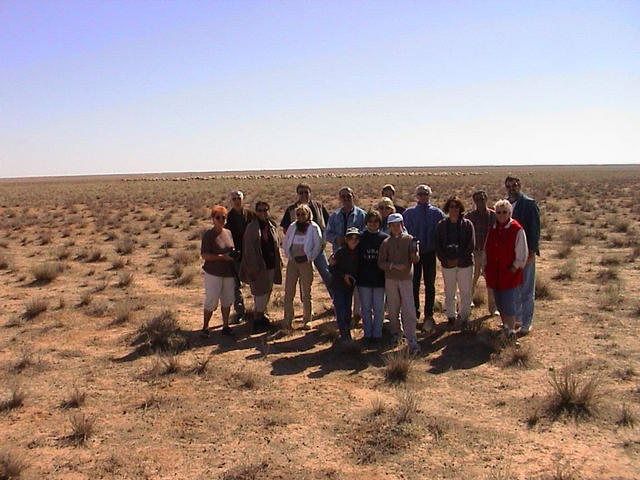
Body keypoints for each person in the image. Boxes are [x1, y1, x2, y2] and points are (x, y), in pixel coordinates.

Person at [402, 184, 445, 334]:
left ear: (429, 195)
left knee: (430, 284)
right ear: (416, 196)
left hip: (430, 253)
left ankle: (429, 314)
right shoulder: (408, 213)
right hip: (414, 254)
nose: (423, 196)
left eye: (426, 193)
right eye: (420, 193)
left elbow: (442, 232)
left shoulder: (437, 213)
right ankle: (414, 312)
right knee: (413, 284)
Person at [484, 200, 528, 340]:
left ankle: (511, 331)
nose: (501, 215)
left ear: (510, 213)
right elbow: (486, 249)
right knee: (500, 301)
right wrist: (485, 267)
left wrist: (514, 268)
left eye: (504, 212)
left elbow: (522, 253)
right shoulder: (493, 229)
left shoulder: (516, 229)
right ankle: (506, 327)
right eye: (498, 212)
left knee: (509, 302)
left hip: (509, 274)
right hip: (494, 273)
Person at [377, 213, 421, 354]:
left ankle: (412, 338)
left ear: (402, 225)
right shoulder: (386, 243)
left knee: (409, 309)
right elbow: (381, 263)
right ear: (389, 227)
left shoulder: (409, 240)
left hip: (406, 279)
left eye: (398, 224)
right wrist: (393, 266)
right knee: (393, 309)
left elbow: (415, 260)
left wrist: (415, 253)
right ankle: (396, 334)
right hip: (391, 279)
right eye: (393, 225)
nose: (396, 227)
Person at [280, 183, 332, 290]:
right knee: (303, 279)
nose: (303, 195)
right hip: (300, 251)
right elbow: (286, 230)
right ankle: (306, 303)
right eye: (301, 192)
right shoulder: (291, 210)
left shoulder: (319, 207)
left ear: (310, 193)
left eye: (306, 192)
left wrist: (322, 239)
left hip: (318, 249)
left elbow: (328, 223)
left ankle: (336, 302)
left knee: (326, 273)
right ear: (297, 194)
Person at [240, 201, 282, 333]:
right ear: (256, 212)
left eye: (265, 210)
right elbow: (248, 250)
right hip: (258, 266)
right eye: (259, 210)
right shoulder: (251, 228)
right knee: (259, 292)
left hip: (270, 264)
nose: (262, 212)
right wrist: (252, 268)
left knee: (268, 290)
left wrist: (279, 261)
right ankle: (257, 320)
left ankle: (261, 315)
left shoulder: (271, 226)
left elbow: (277, 244)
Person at [506, 176, 540, 335]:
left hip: (526, 252)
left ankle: (527, 322)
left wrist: (532, 251)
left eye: (515, 185)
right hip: (510, 253)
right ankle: (517, 318)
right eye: (509, 185)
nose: (512, 188)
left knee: (526, 288)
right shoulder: (506, 204)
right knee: (514, 287)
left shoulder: (529, 204)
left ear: (519, 185)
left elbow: (534, 229)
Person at [435, 196, 475, 330]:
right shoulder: (441, 225)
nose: (454, 209)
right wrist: (445, 260)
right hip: (447, 264)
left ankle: (464, 316)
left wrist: (459, 259)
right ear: (448, 208)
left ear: (460, 208)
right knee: (450, 290)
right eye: (451, 206)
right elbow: (438, 245)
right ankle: (451, 316)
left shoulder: (467, 224)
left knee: (465, 291)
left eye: (456, 206)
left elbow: (471, 244)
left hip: (465, 264)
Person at [282, 204, 323, 330]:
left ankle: (307, 320)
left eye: (303, 214)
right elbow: (286, 241)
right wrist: (289, 255)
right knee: (289, 291)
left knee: (306, 292)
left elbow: (318, 244)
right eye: (298, 214)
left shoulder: (313, 227)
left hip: (306, 263)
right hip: (293, 262)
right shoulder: (293, 226)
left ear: (308, 214)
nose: (300, 216)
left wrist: (309, 257)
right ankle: (288, 319)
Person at [200, 205, 237, 337]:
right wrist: (222, 257)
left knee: (227, 300)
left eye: (223, 217)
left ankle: (226, 326)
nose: (221, 220)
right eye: (218, 217)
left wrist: (232, 255)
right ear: (213, 218)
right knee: (212, 300)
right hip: (213, 273)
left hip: (228, 272)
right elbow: (204, 255)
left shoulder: (228, 233)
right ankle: (205, 327)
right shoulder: (208, 235)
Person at [356, 210, 388, 345]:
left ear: (379, 223)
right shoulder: (361, 238)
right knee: (366, 308)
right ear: (366, 222)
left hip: (380, 279)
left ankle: (378, 334)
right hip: (364, 279)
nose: (373, 224)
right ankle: (367, 334)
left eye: (375, 221)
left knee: (379, 309)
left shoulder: (384, 238)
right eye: (370, 221)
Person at [465, 190, 498, 316]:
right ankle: (467, 304)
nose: (480, 201)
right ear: (474, 201)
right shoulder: (470, 217)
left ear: (487, 199)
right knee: (471, 280)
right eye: (478, 199)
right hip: (474, 252)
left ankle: (493, 308)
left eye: (483, 199)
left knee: (491, 281)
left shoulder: (494, 216)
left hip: (490, 253)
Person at [225, 190, 254, 323]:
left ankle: (258, 310)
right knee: (236, 286)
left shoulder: (250, 215)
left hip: (251, 254)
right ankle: (240, 312)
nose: (237, 201)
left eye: (239, 198)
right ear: (230, 201)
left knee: (255, 282)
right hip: (236, 256)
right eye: (234, 199)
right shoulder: (227, 217)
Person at [329, 227, 361, 342]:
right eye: (350, 238)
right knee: (340, 309)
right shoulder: (340, 252)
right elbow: (331, 268)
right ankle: (344, 335)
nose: (353, 240)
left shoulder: (359, 253)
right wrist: (343, 276)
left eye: (356, 238)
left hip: (349, 287)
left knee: (347, 311)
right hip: (338, 285)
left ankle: (346, 332)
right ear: (346, 240)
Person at [325, 187, 366, 253]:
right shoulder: (334, 216)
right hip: (338, 252)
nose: (346, 198)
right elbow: (327, 234)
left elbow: (366, 233)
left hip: (357, 253)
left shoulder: (362, 215)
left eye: (348, 196)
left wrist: (354, 239)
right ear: (340, 199)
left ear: (353, 197)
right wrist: (336, 239)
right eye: (343, 196)